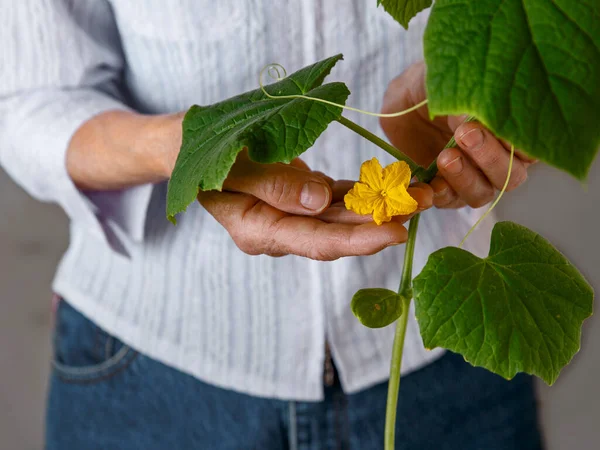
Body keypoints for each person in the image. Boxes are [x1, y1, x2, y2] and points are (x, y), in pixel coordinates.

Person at [0, 1, 542, 449]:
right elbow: (28, 99)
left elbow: (536, 35)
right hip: (155, 369)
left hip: (448, 352)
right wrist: (191, 149)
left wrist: (475, 97)